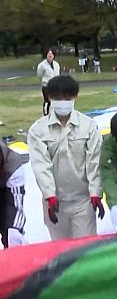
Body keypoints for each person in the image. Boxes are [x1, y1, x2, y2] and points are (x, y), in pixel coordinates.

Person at [27, 75, 104, 240]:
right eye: (57, 98)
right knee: (61, 252)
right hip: (55, 203)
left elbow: (94, 161)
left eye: (67, 98)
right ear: (49, 98)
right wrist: (50, 196)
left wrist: (96, 192)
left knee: (85, 249)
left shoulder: (88, 126)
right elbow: (41, 165)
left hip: (83, 201)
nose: (63, 102)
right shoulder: (37, 130)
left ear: (75, 97)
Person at [0, 142, 25, 248]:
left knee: (12, 235)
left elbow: (15, 206)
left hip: (4, 192)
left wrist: (14, 231)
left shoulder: (13, 164)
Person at [36, 49, 60, 116]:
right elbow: (39, 75)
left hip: (54, 85)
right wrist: (44, 82)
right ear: (46, 55)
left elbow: (57, 74)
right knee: (47, 100)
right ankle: (45, 114)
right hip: (46, 85)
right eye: (49, 54)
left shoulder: (56, 64)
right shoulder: (42, 65)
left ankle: (54, 113)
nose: (50, 55)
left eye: (51, 54)